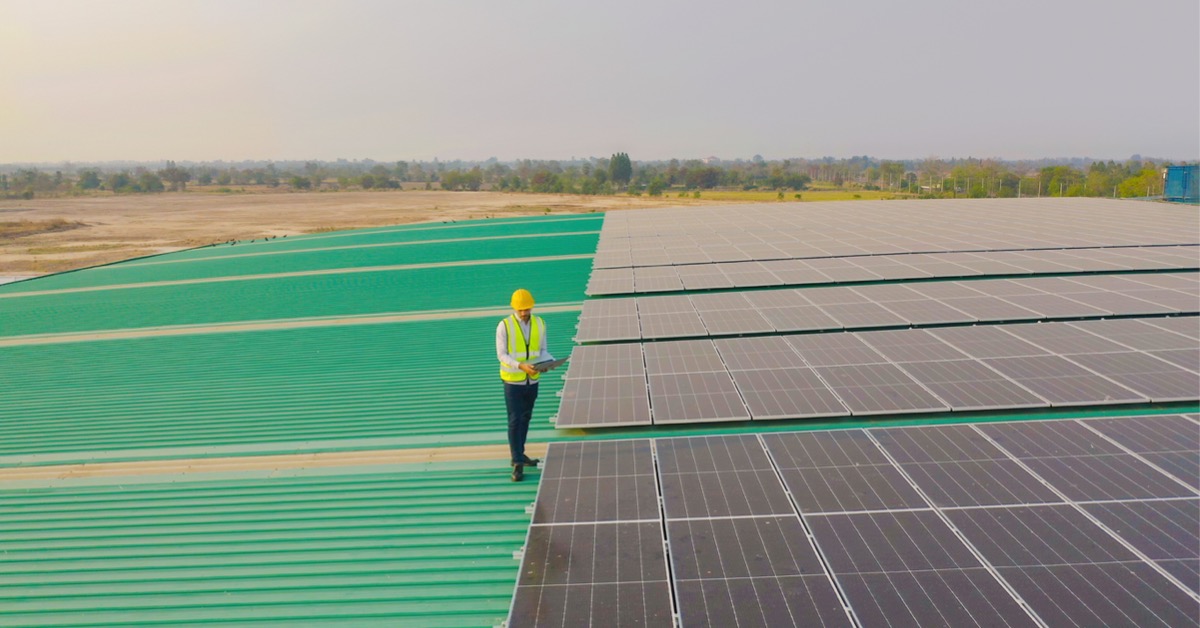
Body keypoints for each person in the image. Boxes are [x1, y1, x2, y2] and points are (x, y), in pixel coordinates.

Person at [497, 288, 553, 481]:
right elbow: (502, 355)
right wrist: (521, 366)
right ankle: (517, 462)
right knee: (515, 419)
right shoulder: (504, 326)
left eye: (526, 309)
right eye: (520, 310)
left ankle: (520, 453)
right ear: (514, 308)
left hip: (533, 379)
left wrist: (547, 363)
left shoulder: (540, 323)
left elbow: (543, 350)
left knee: (526, 417)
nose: (524, 313)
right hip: (513, 381)